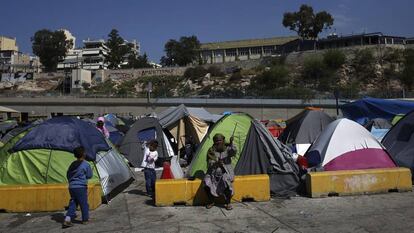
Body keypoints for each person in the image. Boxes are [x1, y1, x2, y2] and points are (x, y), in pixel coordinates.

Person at [204, 133, 236, 210]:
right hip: (213, 172)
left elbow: (233, 152)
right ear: (214, 142)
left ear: (223, 140)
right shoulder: (211, 150)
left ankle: (227, 202)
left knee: (226, 181)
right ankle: (211, 201)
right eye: (216, 141)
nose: (218, 142)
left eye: (220, 140)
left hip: (226, 171)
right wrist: (216, 163)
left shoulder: (228, 148)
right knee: (206, 182)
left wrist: (232, 143)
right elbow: (209, 162)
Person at [63, 146, 93, 228]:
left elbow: (68, 174)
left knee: (73, 203)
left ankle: (68, 219)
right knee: (84, 204)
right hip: (81, 187)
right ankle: (85, 219)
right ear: (84, 154)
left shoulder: (72, 164)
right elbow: (89, 175)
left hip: (72, 187)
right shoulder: (86, 164)